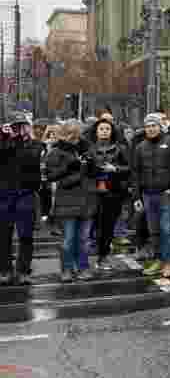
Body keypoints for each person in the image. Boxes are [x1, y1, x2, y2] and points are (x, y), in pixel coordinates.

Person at [131, 113, 170, 280]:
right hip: (147, 195)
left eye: (154, 125)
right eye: (148, 126)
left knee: (167, 230)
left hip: (166, 195)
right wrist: (137, 197)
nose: (151, 129)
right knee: (153, 231)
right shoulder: (140, 147)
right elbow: (136, 173)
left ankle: (168, 263)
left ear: (160, 126)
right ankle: (157, 260)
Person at [46, 121, 98, 282]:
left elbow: (97, 172)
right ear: (64, 134)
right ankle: (67, 268)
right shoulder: (56, 151)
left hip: (87, 199)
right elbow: (51, 175)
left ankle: (82, 267)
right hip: (67, 200)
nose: (74, 138)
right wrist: (69, 166)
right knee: (68, 239)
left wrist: (92, 164)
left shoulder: (88, 148)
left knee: (84, 239)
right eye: (70, 134)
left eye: (76, 134)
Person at [0, 113, 46, 285]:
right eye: (16, 126)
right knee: (3, 235)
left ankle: (24, 270)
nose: (19, 129)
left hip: (26, 194)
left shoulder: (35, 145)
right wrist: (7, 138)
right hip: (4, 195)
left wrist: (22, 140)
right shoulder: (4, 143)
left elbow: (32, 159)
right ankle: (4, 270)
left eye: (23, 125)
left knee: (25, 235)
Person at [87, 118, 131, 271]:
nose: (104, 131)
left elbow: (129, 168)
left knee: (108, 226)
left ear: (112, 131)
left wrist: (115, 169)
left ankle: (103, 256)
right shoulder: (89, 148)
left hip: (113, 192)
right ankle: (85, 257)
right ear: (96, 131)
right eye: (101, 129)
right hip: (92, 192)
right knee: (91, 225)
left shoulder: (120, 148)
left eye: (107, 129)